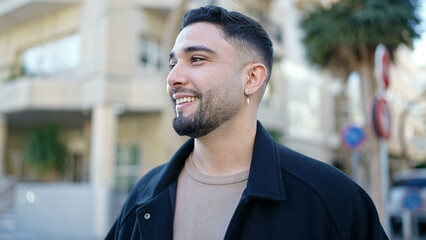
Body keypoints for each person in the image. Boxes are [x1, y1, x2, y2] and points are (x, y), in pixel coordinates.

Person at [106, 5, 388, 240]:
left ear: (252, 78)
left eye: (196, 59)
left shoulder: (333, 199)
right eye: (172, 64)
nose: (173, 78)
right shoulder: (145, 195)